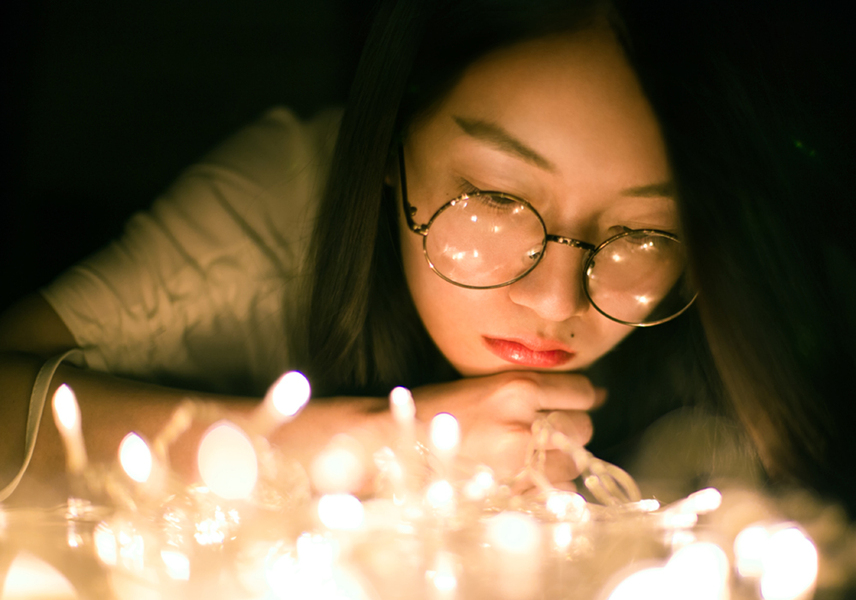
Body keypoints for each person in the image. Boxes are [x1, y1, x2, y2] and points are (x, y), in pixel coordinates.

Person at [0, 0, 850, 513]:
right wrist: (373, 446)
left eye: (643, 236)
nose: (556, 301)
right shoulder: (279, 207)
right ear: (390, 140)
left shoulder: (743, 316)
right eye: (496, 200)